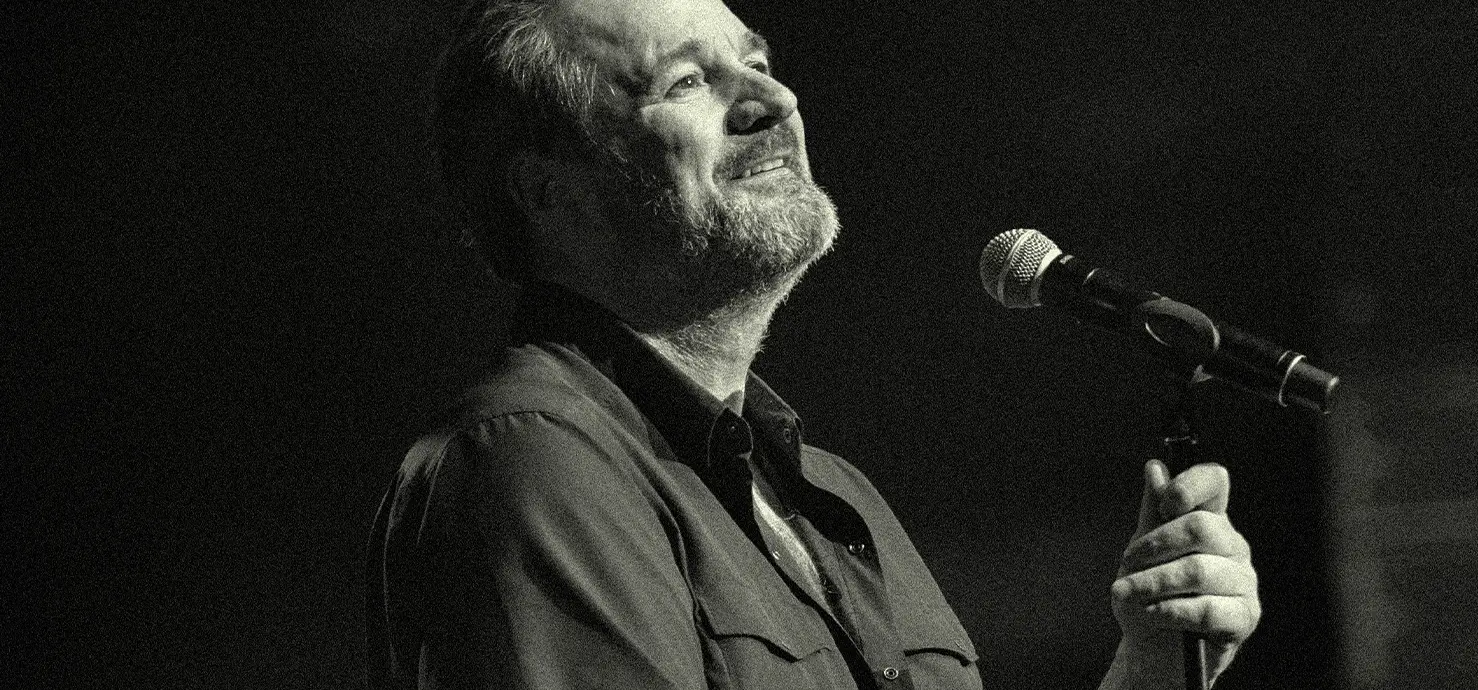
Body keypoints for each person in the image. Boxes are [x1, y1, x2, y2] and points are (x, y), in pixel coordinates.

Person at [366, 0, 1261, 687]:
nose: (775, 100)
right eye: (686, 82)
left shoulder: (836, 495)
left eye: (756, 64)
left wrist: (1146, 672)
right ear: (551, 194)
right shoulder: (535, 460)